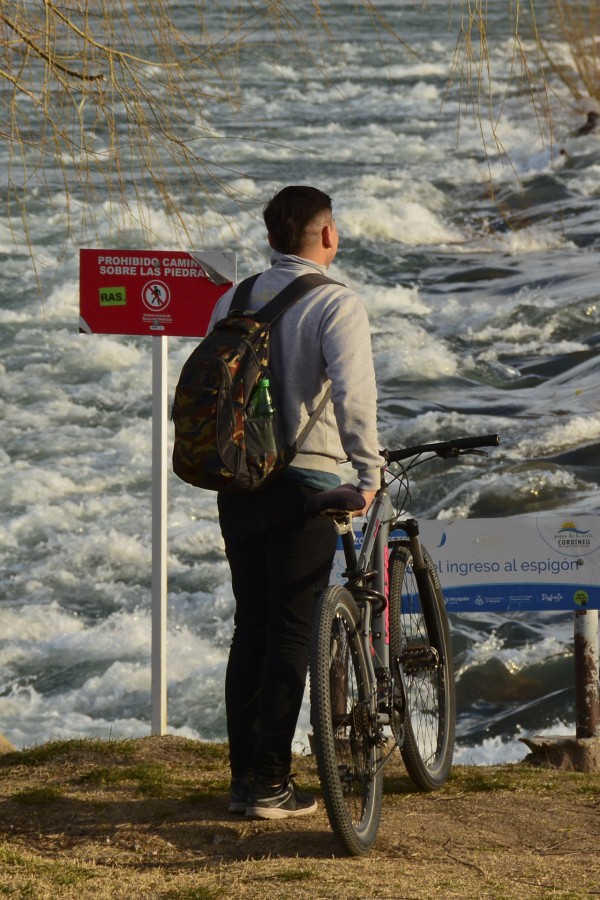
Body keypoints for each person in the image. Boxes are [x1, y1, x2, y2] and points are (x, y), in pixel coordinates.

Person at [208, 185, 380, 820]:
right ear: (327, 234)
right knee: (289, 629)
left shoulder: (233, 296)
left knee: (250, 623)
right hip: (305, 486)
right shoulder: (337, 303)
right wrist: (367, 474)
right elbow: (354, 400)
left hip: (237, 482)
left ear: (272, 238)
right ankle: (272, 784)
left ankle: (244, 779)